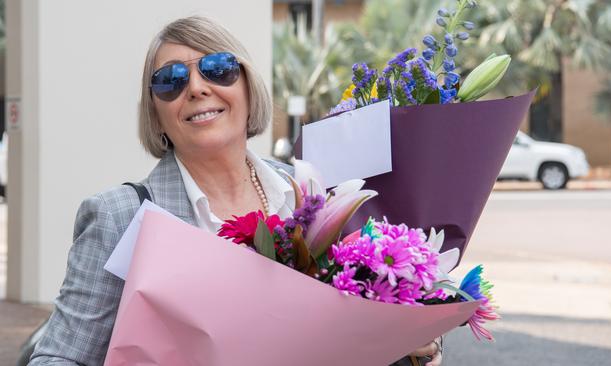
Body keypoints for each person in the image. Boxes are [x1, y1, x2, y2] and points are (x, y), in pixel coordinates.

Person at [27, 16, 442, 366]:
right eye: (169, 80)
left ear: (246, 85)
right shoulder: (120, 216)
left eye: (217, 68)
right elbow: (58, 356)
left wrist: (413, 344)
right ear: (155, 114)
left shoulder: (308, 191)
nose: (196, 87)